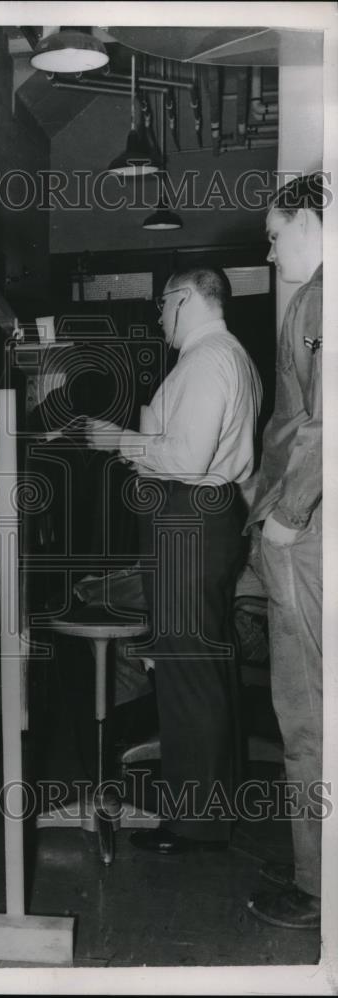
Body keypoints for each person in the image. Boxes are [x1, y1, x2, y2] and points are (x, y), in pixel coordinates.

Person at [85, 267, 262, 852]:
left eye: (163, 305)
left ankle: (196, 825)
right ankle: (214, 808)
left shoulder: (208, 360)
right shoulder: (225, 357)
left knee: (188, 675)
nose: (160, 317)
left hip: (190, 520)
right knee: (204, 670)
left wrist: (119, 442)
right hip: (201, 521)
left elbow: (185, 459)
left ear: (185, 299)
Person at [245, 174, 324, 930]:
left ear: (307, 219)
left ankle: (315, 887)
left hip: (306, 536)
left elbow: (319, 428)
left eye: (274, 236)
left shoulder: (319, 302)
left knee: (304, 711)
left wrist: (285, 517)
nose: (269, 254)